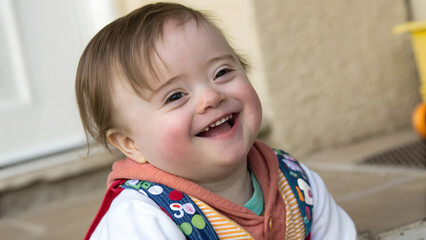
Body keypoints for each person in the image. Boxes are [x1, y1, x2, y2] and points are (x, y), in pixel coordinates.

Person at [76, 2, 356, 240]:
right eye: (175, 96)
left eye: (221, 72)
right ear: (130, 143)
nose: (211, 96)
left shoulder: (295, 182)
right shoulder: (142, 219)